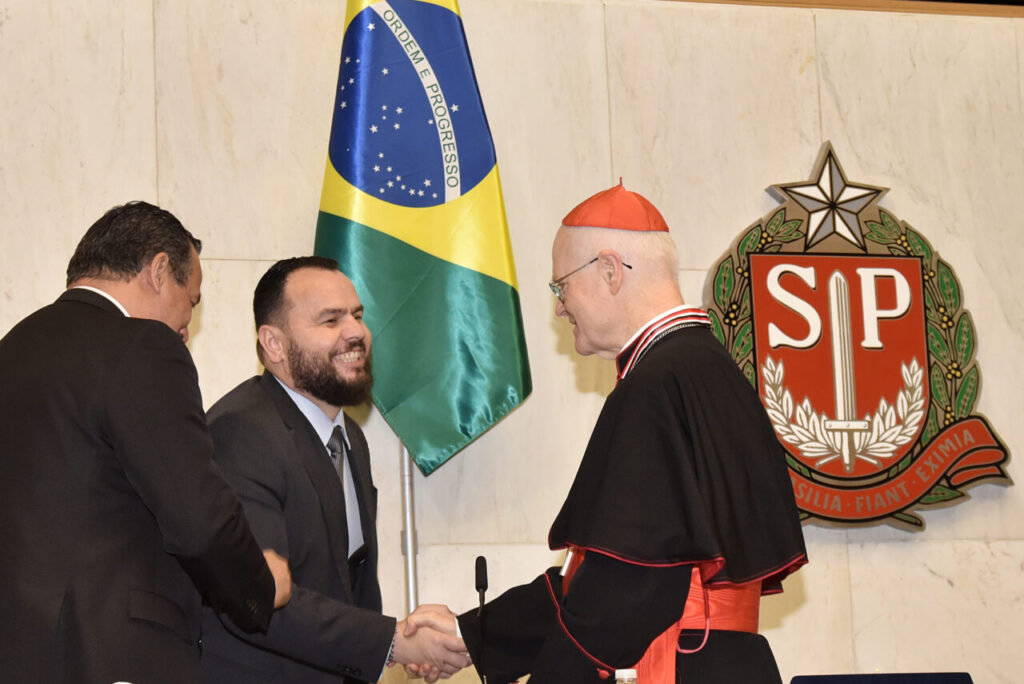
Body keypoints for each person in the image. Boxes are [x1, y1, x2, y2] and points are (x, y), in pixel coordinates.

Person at [415, 182, 808, 683]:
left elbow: (626, 589)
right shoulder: (705, 369)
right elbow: (618, 568)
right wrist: (471, 634)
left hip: (675, 667)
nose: (559, 307)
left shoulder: (656, 385)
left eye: (561, 287)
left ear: (608, 270)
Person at [0, 201, 291, 684]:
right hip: (111, 657)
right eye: (191, 301)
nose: (186, 328)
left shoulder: (13, 349)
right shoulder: (144, 346)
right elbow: (199, 518)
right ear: (159, 270)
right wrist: (260, 585)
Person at [199, 256, 470, 684]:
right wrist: (393, 642)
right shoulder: (242, 432)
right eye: (330, 320)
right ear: (274, 344)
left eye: (358, 315)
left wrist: (386, 649)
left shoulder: (349, 438)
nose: (356, 332)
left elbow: (350, 585)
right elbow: (256, 598)